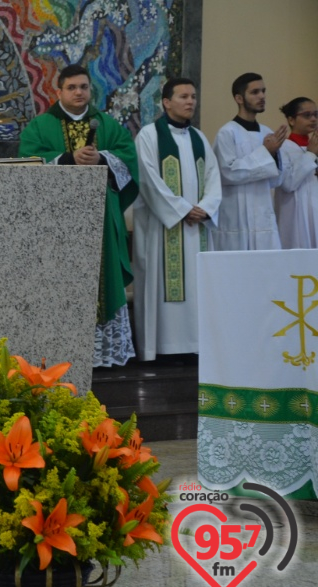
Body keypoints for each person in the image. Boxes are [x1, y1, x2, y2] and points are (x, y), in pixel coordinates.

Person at [17, 64, 139, 367]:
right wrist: (67, 158)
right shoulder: (41, 126)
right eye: (71, 87)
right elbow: (27, 161)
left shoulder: (106, 125)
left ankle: (101, 355)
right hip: (55, 222)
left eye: (84, 87)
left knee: (103, 277)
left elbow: (128, 158)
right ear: (58, 92)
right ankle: (57, 353)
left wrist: (103, 158)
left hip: (101, 219)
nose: (79, 93)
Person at [133, 78, 222, 361]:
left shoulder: (199, 137)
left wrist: (206, 207)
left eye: (193, 96)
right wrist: (182, 209)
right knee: (162, 285)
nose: (190, 102)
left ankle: (196, 344)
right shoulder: (149, 135)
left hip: (196, 228)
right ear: (166, 102)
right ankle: (161, 348)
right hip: (162, 227)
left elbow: (213, 178)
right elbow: (148, 180)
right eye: (183, 96)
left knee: (197, 285)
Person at [208, 73, 289, 251]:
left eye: (263, 91)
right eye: (254, 92)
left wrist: (274, 155)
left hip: (262, 215)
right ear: (239, 98)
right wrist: (266, 152)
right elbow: (229, 173)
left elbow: (276, 180)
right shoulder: (227, 133)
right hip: (235, 217)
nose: (262, 96)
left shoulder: (267, 132)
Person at [275, 97, 318, 248]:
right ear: (291, 120)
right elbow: (287, 183)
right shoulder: (282, 147)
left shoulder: (314, 147)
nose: (313, 119)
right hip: (295, 217)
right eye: (307, 115)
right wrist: (311, 155)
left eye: (315, 114)